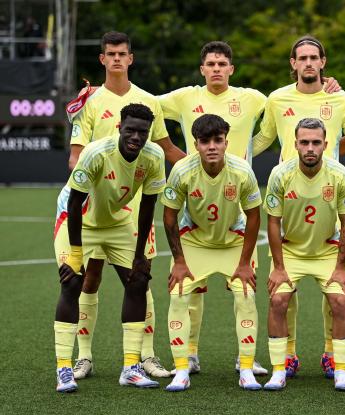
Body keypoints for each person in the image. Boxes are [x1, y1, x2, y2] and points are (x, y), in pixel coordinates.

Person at [63, 31, 185, 380]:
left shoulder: (148, 101)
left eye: (123, 54)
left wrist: (201, 171)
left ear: (131, 59)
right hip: (96, 205)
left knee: (139, 277)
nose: (117, 59)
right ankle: (84, 357)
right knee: (89, 278)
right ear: (101, 59)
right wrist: (95, 180)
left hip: (133, 209)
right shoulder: (87, 101)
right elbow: (75, 157)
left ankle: (145, 356)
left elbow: (166, 149)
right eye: (110, 54)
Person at [253, 35, 345, 379]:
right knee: (283, 287)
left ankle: (332, 354)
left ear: (323, 62)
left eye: (313, 57)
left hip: (327, 198)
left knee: (332, 284)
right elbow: (261, 139)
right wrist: (223, 154)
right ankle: (286, 355)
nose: (307, 63)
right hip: (288, 200)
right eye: (301, 57)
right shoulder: (277, 99)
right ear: (293, 63)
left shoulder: (342, 99)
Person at [157, 40, 268, 376]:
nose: (217, 69)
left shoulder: (251, 98)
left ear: (231, 68)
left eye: (223, 64)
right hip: (196, 203)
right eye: (211, 64)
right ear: (202, 69)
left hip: (235, 198)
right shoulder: (186, 97)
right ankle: (188, 354)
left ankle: (245, 359)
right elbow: (147, 107)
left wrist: (327, 85)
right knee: (189, 290)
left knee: (245, 289)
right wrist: (176, 155)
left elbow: (287, 106)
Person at [54, 103, 166, 392]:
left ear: (148, 133)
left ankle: (131, 367)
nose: (136, 138)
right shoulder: (96, 153)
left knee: (138, 280)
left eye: (142, 132)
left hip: (118, 221)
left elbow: (148, 207)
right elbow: (75, 203)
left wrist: (140, 255)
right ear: (119, 127)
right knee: (72, 282)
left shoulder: (154, 157)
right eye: (130, 130)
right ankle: (63, 369)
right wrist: (77, 254)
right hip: (79, 219)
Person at [161, 114, 262, 391]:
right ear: (196, 144)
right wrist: (179, 261)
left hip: (233, 241)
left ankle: (246, 367)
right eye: (205, 141)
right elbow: (169, 217)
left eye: (218, 140)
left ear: (227, 142)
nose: (212, 147)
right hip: (195, 241)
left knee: (246, 295)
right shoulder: (182, 170)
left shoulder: (242, 171)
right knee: (178, 295)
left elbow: (254, 217)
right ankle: (181, 369)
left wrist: (244, 263)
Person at [262, 118, 345, 391]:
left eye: (316, 142)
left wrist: (341, 267)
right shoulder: (280, 174)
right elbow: (272, 222)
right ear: (296, 145)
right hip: (291, 251)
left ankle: (340, 370)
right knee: (278, 300)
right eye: (305, 142)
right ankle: (279, 369)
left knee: (340, 301)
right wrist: (278, 267)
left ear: (326, 144)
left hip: (327, 251)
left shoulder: (340, 175)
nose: (310, 148)